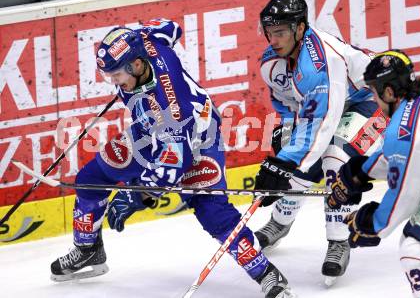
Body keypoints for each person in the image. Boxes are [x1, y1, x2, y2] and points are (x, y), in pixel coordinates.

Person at [50, 19, 294, 298]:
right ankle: (88, 250)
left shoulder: (170, 107)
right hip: (150, 131)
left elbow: (170, 169)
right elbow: (171, 27)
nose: (113, 82)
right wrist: (137, 32)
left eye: (116, 74)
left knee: (213, 212)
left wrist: (136, 197)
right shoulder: (146, 42)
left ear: (137, 65)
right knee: (91, 179)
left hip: (198, 143)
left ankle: (266, 274)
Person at [253, 0, 388, 285]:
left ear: (300, 29)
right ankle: (280, 221)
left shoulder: (318, 63)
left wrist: (283, 162)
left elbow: (321, 123)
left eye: (280, 33)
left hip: (373, 103)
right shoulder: (271, 63)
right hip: (330, 107)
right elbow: (290, 105)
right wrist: (284, 134)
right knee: (296, 156)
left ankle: (340, 239)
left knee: (335, 158)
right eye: (269, 33)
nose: (273, 40)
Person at [327, 49, 420, 297]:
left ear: (389, 92)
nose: (375, 101)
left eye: (374, 93)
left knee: (416, 249)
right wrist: (357, 174)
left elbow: (406, 195)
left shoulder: (404, 129)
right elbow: (402, 157)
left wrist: (370, 223)